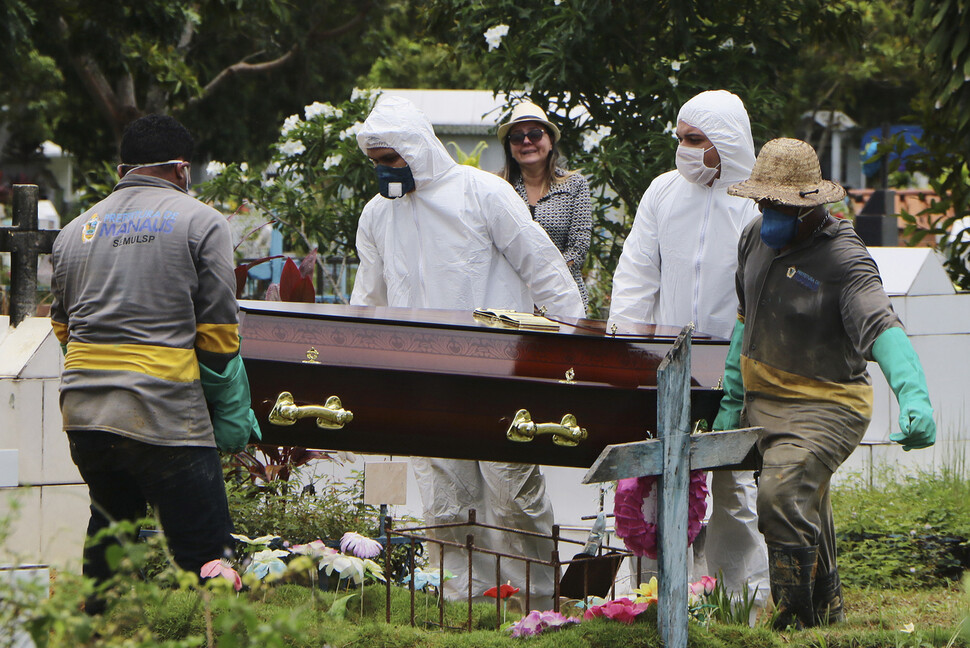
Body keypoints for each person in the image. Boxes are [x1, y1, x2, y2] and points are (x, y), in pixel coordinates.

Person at [350, 95, 586, 606]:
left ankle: (538, 608)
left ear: (417, 149)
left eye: (392, 160)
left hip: (499, 376)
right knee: (446, 501)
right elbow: (369, 299)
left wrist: (573, 349)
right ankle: (463, 610)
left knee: (514, 496)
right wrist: (362, 367)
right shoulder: (376, 216)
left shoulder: (482, 193)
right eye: (376, 164)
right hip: (424, 382)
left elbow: (544, 268)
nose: (385, 172)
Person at [718, 137, 936, 629]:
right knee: (806, 498)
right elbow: (743, 318)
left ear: (810, 204)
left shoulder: (844, 258)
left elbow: (881, 326)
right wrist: (731, 397)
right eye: (763, 201)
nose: (767, 211)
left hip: (826, 403)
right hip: (762, 399)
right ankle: (828, 607)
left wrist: (912, 395)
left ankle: (795, 621)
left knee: (781, 494)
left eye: (779, 204)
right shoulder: (755, 238)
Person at [50, 114, 259, 612]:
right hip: (165, 418)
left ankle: (95, 631)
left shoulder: (75, 230)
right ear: (182, 169)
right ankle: (218, 632)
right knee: (208, 554)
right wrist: (226, 410)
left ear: (123, 169)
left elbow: (63, 328)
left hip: (85, 418)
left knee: (112, 535)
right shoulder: (201, 221)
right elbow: (217, 333)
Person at [609, 90, 769, 612]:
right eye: (679, 139)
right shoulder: (663, 192)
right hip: (666, 367)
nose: (682, 150)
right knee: (655, 483)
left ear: (723, 143)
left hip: (735, 369)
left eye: (694, 140)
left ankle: (737, 604)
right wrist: (629, 354)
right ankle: (655, 602)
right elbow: (637, 273)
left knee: (732, 489)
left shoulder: (757, 203)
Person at [498, 101, 592, 307]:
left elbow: (579, 246)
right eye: (516, 137)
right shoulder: (497, 188)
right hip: (510, 302)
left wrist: (544, 278)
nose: (526, 141)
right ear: (510, 148)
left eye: (535, 134)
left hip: (564, 299)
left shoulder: (575, 185)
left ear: (550, 142)